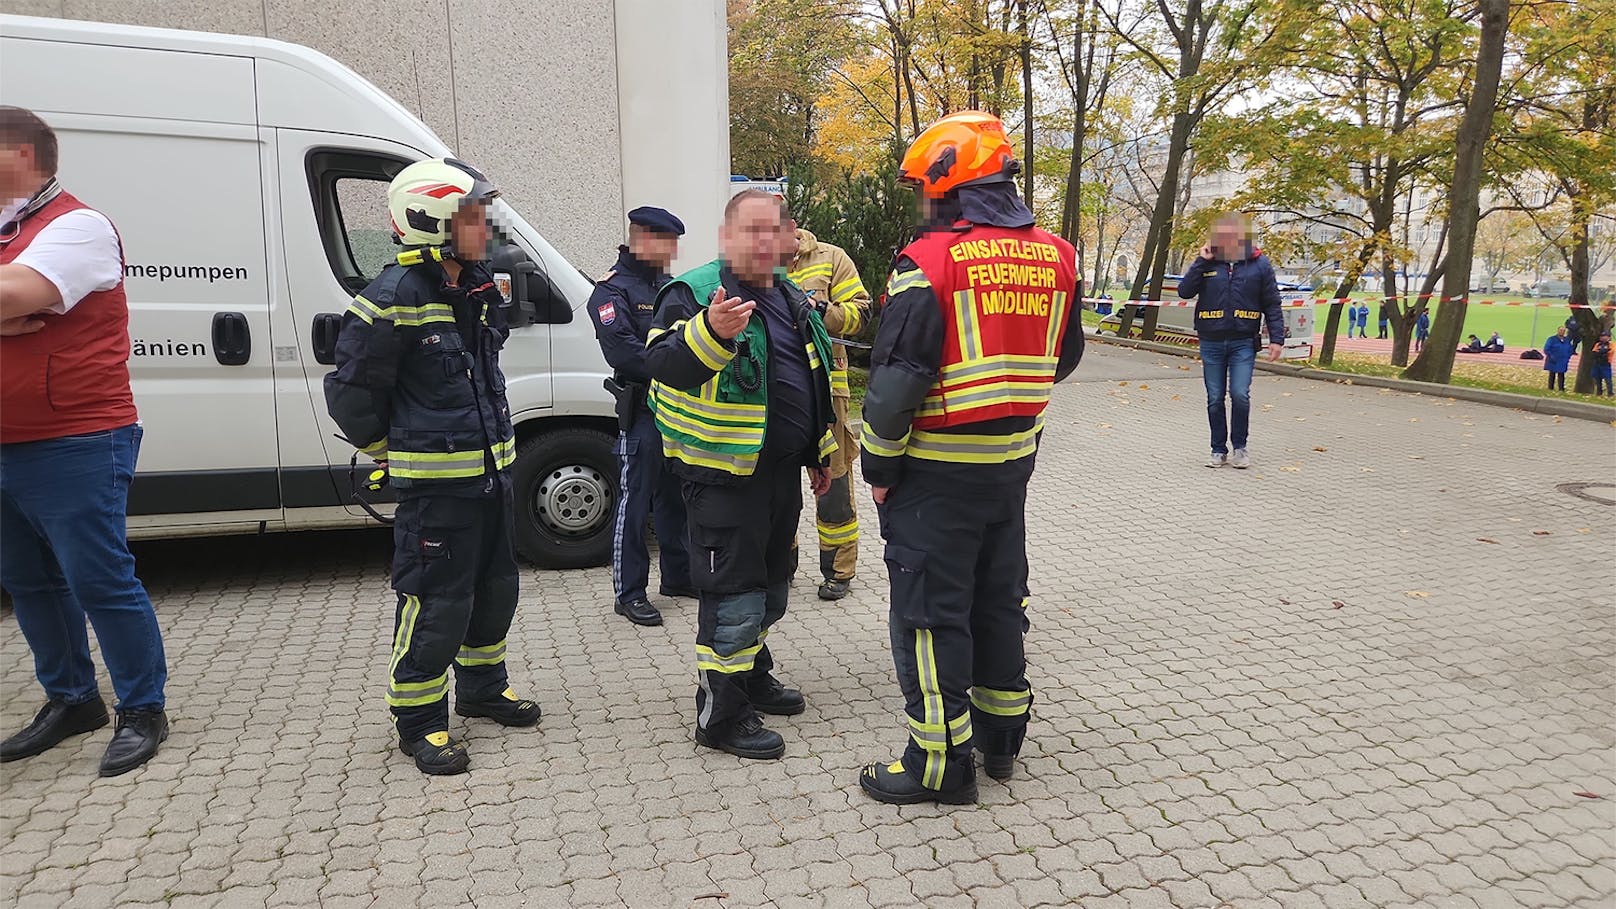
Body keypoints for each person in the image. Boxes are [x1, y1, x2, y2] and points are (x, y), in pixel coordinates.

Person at [857, 111, 1084, 805]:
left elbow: (894, 389)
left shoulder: (928, 262)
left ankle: (939, 766)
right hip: (1012, 467)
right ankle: (1001, 739)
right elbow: (1065, 355)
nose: (920, 203)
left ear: (947, 183)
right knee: (998, 599)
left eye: (923, 189)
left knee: (929, 614)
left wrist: (880, 471)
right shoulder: (1059, 254)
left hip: (933, 473)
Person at [325, 158, 540, 776]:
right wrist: (400, 455)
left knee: (495, 591)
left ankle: (481, 688)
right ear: (433, 222)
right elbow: (351, 397)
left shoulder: (473, 286)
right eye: (477, 216)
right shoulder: (392, 298)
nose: (489, 227)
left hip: (490, 477)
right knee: (436, 601)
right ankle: (420, 720)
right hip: (438, 491)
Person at [0, 106, 170, 777]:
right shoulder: (11, 229)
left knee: (97, 578)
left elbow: (23, 290)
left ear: (18, 154)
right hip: (10, 441)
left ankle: (142, 707)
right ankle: (72, 699)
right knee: (29, 582)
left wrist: (12, 304)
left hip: (75, 437)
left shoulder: (77, 226)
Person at [643, 189, 837, 762]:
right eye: (747, 231)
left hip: (777, 474)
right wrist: (712, 333)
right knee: (734, 595)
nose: (760, 241)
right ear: (727, 237)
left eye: (770, 231)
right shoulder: (697, 292)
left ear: (787, 239)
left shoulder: (791, 296)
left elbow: (812, 380)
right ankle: (720, 715)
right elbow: (658, 364)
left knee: (774, 585)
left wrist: (817, 452)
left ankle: (752, 672)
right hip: (722, 477)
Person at [588, 206, 695, 627]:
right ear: (642, 240)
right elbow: (623, 352)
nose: (672, 252)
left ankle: (679, 576)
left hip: (678, 409)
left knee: (675, 497)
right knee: (636, 502)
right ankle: (629, 592)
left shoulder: (670, 287)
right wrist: (676, 364)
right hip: (644, 408)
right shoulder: (611, 291)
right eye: (666, 243)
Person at [784, 218, 871, 601]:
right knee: (778, 489)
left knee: (833, 485)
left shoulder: (831, 258)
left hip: (827, 393)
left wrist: (823, 310)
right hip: (779, 393)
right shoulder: (752, 261)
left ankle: (838, 571)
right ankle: (779, 566)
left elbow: (861, 314)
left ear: (792, 224)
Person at [1179, 213, 1285, 469]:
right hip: (1211, 340)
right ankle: (1218, 449)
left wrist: (1276, 339)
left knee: (1239, 394)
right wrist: (1199, 262)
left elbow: (1272, 304)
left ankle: (1240, 447)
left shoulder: (1260, 265)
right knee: (1215, 397)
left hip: (1243, 341)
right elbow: (1184, 291)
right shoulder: (1207, 262)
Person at [1542, 326, 1575, 391]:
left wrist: (1568, 356)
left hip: (1563, 360)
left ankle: (1561, 388)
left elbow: (1570, 349)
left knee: (1561, 374)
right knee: (1552, 374)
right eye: (1560, 330)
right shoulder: (1551, 339)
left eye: (1563, 331)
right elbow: (1546, 349)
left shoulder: (1567, 340)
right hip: (1553, 359)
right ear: (1558, 331)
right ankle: (1550, 387)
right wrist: (1551, 356)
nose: (1562, 332)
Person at [1594, 332, 1614, 396]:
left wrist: (1602, 352)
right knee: (1598, 378)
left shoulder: (1611, 344)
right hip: (1597, 363)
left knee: (1608, 379)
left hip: (1606, 364)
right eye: (1602, 336)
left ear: (1609, 337)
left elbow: (1610, 351)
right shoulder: (1598, 344)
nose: (1603, 338)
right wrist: (1602, 352)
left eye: (1605, 336)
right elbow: (1594, 352)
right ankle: (1599, 392)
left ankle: (1610, 392)